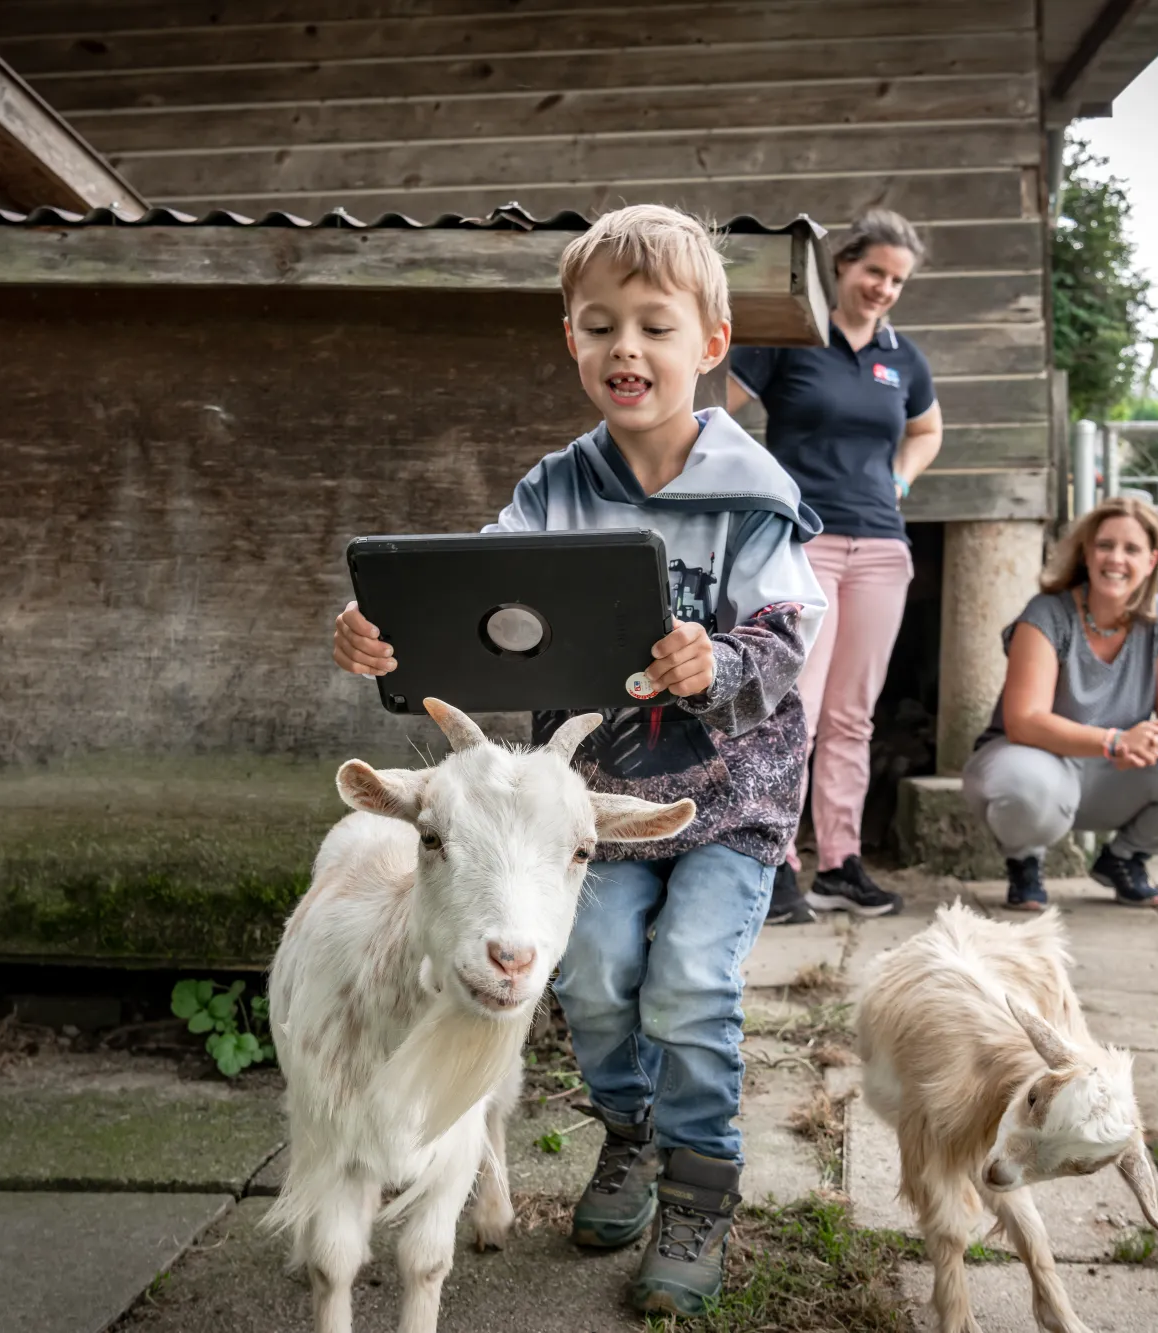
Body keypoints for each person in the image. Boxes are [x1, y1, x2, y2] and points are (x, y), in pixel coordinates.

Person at [332, 205, 826, 1316]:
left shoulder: (753, 497)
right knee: (594, 976)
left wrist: (723, 656)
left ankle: (699, 1189)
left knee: (689, 983)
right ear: (570, 341)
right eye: (599, 326)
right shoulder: (556, 488)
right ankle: (630, 1137)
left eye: (655, 325)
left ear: (710, 341)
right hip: (585, 811)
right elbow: (473, 602)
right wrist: (383, 634)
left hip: (726, 800)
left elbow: (793, 629)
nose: (626, 349)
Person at [727, 209, 943, 925]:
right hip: (803, 543)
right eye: (874, 271)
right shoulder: (793, 341)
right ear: (843, 266)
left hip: (882, 547)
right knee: (796, 709)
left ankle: (841, 864)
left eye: (897, 280)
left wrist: (902, 480)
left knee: (854, 716)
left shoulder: (902, 358)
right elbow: (711, 407)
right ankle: (778, 863)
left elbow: (926, 428)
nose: (884, 287)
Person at [962, 496, 1158, 910]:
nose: (1116, 559)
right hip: (1038, 760)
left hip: (1116, 773)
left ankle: (1124, 859)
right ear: (1086, 553)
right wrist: (1115, 741)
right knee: (1025, 785)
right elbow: (1024, 722)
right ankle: (1024, 860)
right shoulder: (1046, 614)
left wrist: (1157, 737)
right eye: (1105, 545)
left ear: (1151, 561)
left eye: (1131, 549)